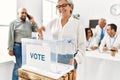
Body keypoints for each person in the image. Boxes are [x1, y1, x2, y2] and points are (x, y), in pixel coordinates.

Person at [40, 0, 86, 80]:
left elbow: (82, 45)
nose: (61, 8)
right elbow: (46, 41)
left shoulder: (78, 24)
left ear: (70, 6)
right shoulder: (52, 23)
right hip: (53, 57)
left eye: (64, 5)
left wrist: (76, 59)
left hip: (70, 59)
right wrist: (41, 36)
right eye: (58, 6)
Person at [7, 7, 41, 80]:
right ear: (18, 13)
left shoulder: (29, 23)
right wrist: (10, 49)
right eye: (22, 12)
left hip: (28, 47)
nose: (24, 14)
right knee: (18, 66)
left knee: (27, 66)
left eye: (25, 13)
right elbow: (10, 36)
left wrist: (33, 21)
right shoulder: (13, 23)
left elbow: (36, 30)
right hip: (18, 47)